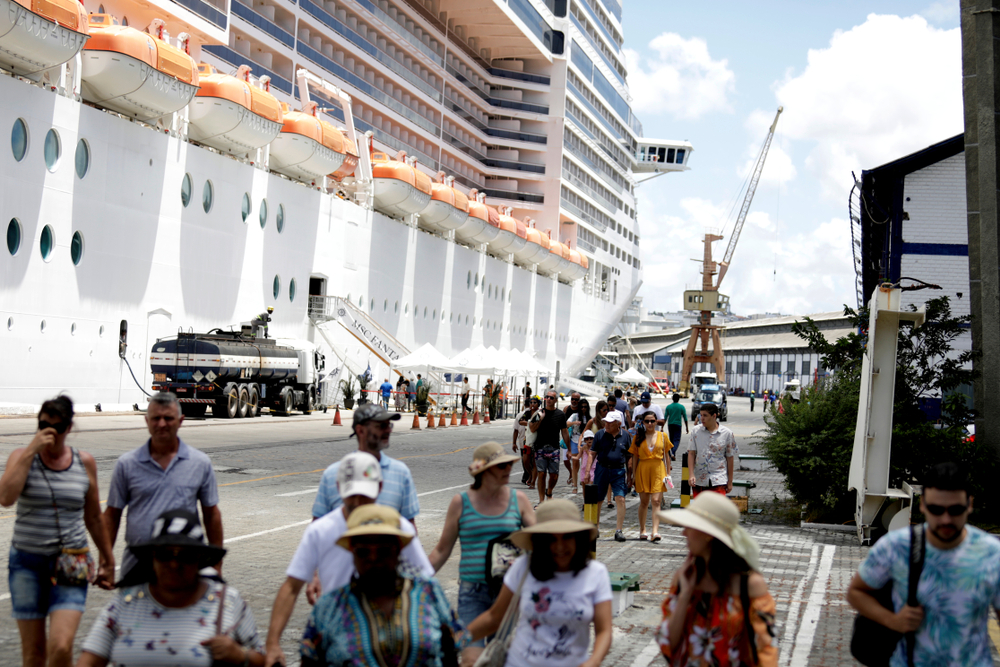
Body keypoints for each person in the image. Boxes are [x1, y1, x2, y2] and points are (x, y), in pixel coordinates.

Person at [265, 452, 433, 666]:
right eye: (350, 494)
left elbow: (426, 585)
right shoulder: (320, 531)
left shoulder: (399, 530)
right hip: (339, 636)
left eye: (364, 494)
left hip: (391, 640)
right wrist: (272, 643)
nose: (357, 502)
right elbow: (291, 587)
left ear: (379, 488)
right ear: (338, 488)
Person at [846, 462, 1000, 666]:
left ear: (969, 505)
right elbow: (856, 592)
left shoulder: (990, 553)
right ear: (923, 505)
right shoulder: (897, 547)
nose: (946, 519)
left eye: (955, 510)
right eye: (936, 509)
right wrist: (893, 620)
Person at [0, 396, 115, 667]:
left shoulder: (83, 462)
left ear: (69, 427)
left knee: (61, 647)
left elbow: (94, 518)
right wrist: (31, 450)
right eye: (43, 425)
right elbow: (5, 498)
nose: (49, 432)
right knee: (33, 654)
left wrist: (108, 559)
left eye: (57, 427)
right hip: (27, 564)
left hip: (72, 562)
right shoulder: (21, 457)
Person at [77, 509, 264, 667]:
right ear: (152, 557)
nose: (174, 564)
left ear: (200, 559)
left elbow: (267, 660)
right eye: (165, 555)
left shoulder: (227, 601)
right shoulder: (124, 605)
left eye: (186, 556)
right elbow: (88, 660)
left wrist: (242, 655)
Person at [298, 505, 462, 667]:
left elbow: (450, 654)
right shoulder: (330, 606)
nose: (373, 558)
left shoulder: (428, 592)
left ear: (398, 550)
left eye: (383, 550)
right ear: (352, 552)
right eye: (363, 551)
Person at [462, 499, 612, 667]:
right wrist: (454, 641)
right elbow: (494, 617)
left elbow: (604, 630)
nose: (560, 546)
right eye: (551, 539)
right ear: (539, 542)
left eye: (567, 537)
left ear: (579, 538)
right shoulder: (523, 567)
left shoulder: (596, 573)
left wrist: (593, 661)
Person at [104, 392, 222, 581]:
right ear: (146, 421)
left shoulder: (200, 463)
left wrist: (216, 563)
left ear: (181, 421)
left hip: (184, 568)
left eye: (168, 418)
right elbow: (112, 515)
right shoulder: (127, 464)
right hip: (137, 568)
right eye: (156, 418)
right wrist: (106, 561)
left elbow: (211, 514)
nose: (161, 424)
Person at [428, 443, 536, 648]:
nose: (508, 469)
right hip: (472, 592)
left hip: (508, 591)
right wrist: (414, 581)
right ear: (484, 471)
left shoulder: (518, 500)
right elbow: (442, 550)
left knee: (498, 656)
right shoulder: (461, 502)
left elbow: (538, 542)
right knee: (470, 656)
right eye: (501, 466)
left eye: (508, 465)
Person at [654, 493, 778, 665]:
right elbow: (668, 643)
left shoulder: (749, 584)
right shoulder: (685, 577)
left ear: (708, 534)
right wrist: (685, 596)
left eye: (689, 526)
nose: (683, 533)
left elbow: (766, 651)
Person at [312, 404, 417, 528]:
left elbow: (409, 529)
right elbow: (317, 529)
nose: (389, 430)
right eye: (382, 426)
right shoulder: (333, 474)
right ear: (361, 431)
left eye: (389, 425)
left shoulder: (400, 473)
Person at [629, 412, 672, 542]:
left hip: (658, 470)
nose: (650, 424)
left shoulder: (663, 436)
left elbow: (667, 456)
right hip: (643, 469)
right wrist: (634, 475)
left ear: (656, 421)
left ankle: (655, 531)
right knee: (644, 502)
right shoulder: (638, 437)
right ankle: (642, 530)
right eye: (647, 421)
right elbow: (635, 457)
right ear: (642, 422)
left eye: (652, 421)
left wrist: (668, 474)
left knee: (656, 501)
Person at [591, 411, 631, 542]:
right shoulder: (599, 434)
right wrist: (587, 472)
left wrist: (630, 475)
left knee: (620, 499)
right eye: (605, 422)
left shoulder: (625, 436)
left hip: (618, 470)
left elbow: (629, 456)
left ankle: (618, 530)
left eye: (609, 422)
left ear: (618, 424)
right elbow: (592, 454)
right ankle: (595, 528)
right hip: (602, 468)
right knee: (598, 499)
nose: (606, 424)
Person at [528, 390, 570, 505]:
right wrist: (540, 419)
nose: (549, 399)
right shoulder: (539, 413)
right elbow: (532, 428)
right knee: (541, 474)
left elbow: (565, 432)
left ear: (556, 400)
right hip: (540, 447)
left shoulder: (560, 415)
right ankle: (541, 501)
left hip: (554, 448)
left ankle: (549, 491)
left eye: (551, 398)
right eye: (547, 397)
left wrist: (569, 449)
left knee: (554, 475)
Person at [687, 403, 735, 497]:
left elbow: (730, 458)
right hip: (699, 479)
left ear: (714, 416)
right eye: (701, 415)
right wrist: (691, 474)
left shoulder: (727, 433)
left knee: (716, 510)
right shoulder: (696, 431)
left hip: (719, 479)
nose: (702, 418)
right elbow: (691, 453)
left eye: (705, 415)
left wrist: (730, 481)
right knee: (700, 510)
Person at [566, 398, 591, 494]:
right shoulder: (575, 415)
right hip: (574, 440)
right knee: (575, 464)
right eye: (581, 407)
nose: (583, 408)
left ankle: (584, 480)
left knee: (586, 463)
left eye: (585, 407)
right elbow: (566, 423)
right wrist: (574, 423)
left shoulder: (589, 417)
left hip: (586, 442)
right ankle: (575, 485)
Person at [513, 397, 540, 487]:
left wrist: (529, 424)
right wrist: (531, 423)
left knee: (534, 462)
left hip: (537, 440)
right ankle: (530, 474)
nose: (532, 404)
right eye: (531, 402)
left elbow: (539, 424)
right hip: (527, 439)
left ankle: (532, 482)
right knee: (525, 461)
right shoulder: (527, 413)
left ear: (538, 404)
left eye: (534, 402)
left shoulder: (540, 413)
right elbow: (521, 421)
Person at [665, 393, 689, 461]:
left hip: (670, 424)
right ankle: (673, 452)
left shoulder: (668, 407)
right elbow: (685, 418)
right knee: (677, 439)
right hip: (678, 425)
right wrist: (687, 427)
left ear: (672, 398)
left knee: (671, 439)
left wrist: (662, 427)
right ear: (679, 399)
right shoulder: (681, 407)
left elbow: (665, 417)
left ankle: (672, 453)